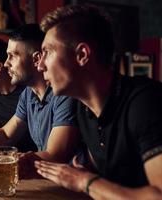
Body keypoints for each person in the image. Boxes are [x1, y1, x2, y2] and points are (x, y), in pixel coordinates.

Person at [35, 4, 162, 199]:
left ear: (82, 55)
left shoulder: (146, 103)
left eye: (48, 52)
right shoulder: (83, 109)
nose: (41, 65)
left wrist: (84, 182)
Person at [0, 24, 79, 178]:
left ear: (37, 59)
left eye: (13, 56)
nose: (6, 63)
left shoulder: (64, 95)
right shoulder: (28, 94)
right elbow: (6, 133)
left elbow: (55, 156)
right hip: (45, 181)